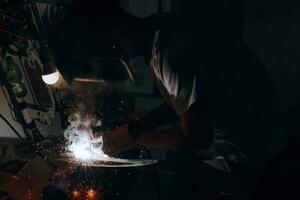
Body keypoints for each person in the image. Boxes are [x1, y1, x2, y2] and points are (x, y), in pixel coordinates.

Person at [48, 0, 286, 198]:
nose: (111, 58)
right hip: (248, 140)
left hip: (249, 155)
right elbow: (191, 102)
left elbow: (197, 138)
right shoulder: (164, 30)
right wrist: (150, 118)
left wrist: (133, 138)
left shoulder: (168, 54)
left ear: (108, 36)